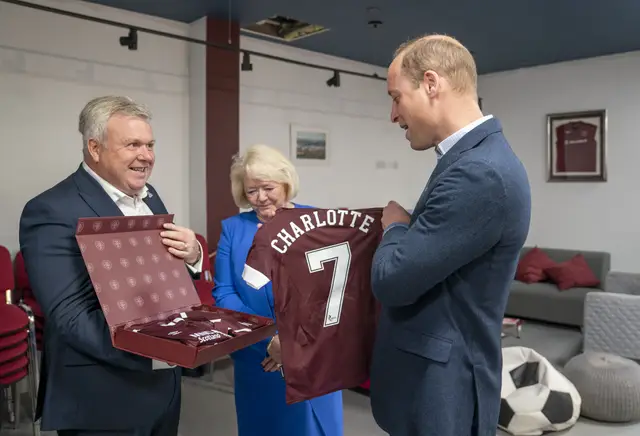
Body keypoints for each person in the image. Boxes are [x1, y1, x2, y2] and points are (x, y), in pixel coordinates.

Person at [369, 34, 531, 436]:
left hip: (443, 393)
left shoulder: (480, 173)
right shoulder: (472, 159)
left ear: (430, 84)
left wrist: (395, 228)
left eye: (396, 96)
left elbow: (392, 281)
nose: (393, 114)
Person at [19, 96, 204, 436]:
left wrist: (192, 257)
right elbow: (71, 316)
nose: (146, 155)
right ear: (95, 147)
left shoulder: (150, 196)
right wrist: (157, 352)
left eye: (149, 144)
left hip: (164, 387)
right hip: (100, 395)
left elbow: (164, 278)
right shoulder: (50, 210)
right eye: (132, 144)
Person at [212, 143, 343, 436]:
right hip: (257, 357)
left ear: (285, 181)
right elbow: (224, 293)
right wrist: (270, 338)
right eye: (251, 191)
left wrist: (294, 346)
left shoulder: (319, 222)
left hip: (313, 357)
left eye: (267, 187)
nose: (260, 198)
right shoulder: (233, 228)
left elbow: (337, 292)